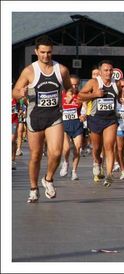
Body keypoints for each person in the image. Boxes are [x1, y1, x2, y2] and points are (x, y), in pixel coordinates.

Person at [12, 35, 72, 203]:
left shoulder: (61, 70)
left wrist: (68, 95)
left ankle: (48, 179)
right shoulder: (29, 71)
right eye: (43, 52)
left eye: (49, 52)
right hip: (35, 117)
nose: (46, 56)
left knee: (56, 152)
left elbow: (68, 89)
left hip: (54, 116)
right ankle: (33, 188)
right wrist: (20, 93)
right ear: (36, 52)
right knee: (36, 155)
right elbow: (14, 92)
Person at [78, 60, 119, 187]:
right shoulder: (93, 83)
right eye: (106, 70)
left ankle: (109, 175)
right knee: (96, 148)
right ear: (100, 72)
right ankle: (97, 162)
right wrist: (95, 94)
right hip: (95, 119)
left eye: (111, 70)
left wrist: (122, 101)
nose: (108, 73)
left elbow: (118, 98)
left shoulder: (115, 84)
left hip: (110, 120)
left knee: (109, 146)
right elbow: (80, 96)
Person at [59, 75, 85, 180]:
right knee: (66, 149)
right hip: (64, 125)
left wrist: (83, 115)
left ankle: (74, 171)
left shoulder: (81, 96)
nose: (74, 87)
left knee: (77, 148)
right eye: (71, 84)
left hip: (77, 124)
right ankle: (65, 162)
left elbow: (85, 108)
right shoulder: (61, 95)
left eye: (76, 84)